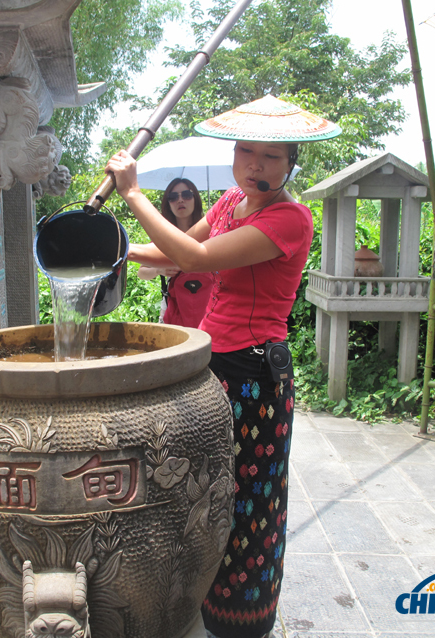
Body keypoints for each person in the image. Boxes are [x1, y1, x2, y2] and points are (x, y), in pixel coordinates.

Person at [106, 95, 340, 638]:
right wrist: (112, 249)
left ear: (291, 163)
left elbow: (198, 261)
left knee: (251, 495)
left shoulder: (290, 218)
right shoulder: (233, 199)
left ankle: (243, 620)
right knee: (208, 493)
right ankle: (201, 600)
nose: (255, 164)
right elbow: (174, 251)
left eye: (272, 156)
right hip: (215, 362)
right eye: (246, 151)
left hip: (254, 373)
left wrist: (135, 193)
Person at [137, 178, 214, 328]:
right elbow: (142, 272)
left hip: (210, 308)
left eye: (186, 195)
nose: (180, 200)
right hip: (175, 309)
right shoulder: (164, 238)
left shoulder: (212, 233)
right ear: (168, 203)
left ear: (195, 199)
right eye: (173, 197)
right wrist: (159, 269)